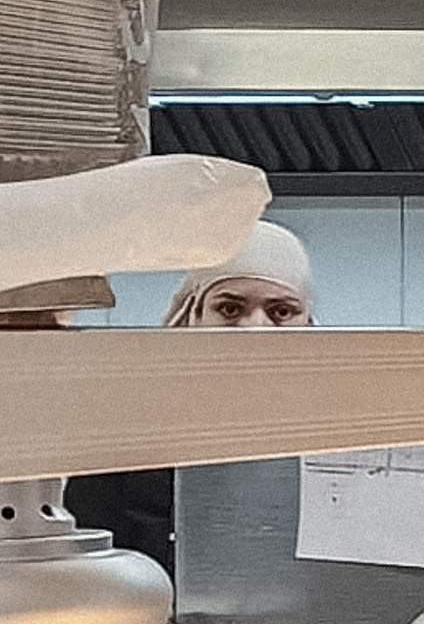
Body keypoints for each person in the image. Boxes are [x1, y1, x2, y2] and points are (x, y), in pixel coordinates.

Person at [63, 222, 315, 569]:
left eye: (281, 312)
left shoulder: (340, 433)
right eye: (230, 309)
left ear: (308, 324)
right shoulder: (123, 439)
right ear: (193, 314)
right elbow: (91, 568)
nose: (255, 329)